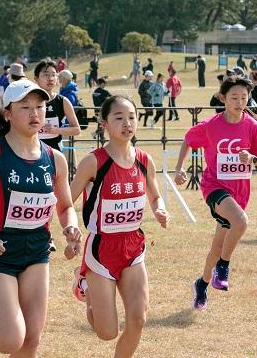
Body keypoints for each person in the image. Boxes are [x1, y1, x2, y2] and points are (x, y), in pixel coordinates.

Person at [0, 79, 82, 357]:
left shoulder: (54, 158)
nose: (35, 114)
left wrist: (70, 226)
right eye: (25, 107)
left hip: (37, 251)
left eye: (40, 106)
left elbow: (66, 205)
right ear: (8, 113)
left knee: (31, 340)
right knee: (10, 341)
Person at [70, 95, 168, 357]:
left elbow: (155, 195)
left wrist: (159, 208)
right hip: (101, 249)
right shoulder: (93, 162)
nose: (127, 123)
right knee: (107, 332)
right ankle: (86, 284)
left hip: (133, 246)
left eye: (132, 117)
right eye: (119, 118)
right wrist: (71, 232)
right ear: (105, 124)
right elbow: (67, 201)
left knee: (138, 320)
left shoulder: (145, 160)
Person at [174, 75, 257, 311]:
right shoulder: (211, 126)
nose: (240, 102)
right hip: (215, 187)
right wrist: (179, 169)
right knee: (240, 221)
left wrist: (253, 159)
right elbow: (188, 139)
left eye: (244, 97)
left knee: (217, 247)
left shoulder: (253, 127)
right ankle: (224, 267)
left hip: (240, 193)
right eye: (234, 97)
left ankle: (201, 284)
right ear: (223, 98)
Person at [34, 59, 81, 151]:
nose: (50, 78)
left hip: (54, 152)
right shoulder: (28, 100)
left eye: (53, 75)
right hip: (31, 151)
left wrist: (56, 130)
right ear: (36, 78)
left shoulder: (63, 101)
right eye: (46, 74)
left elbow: (76, 129)